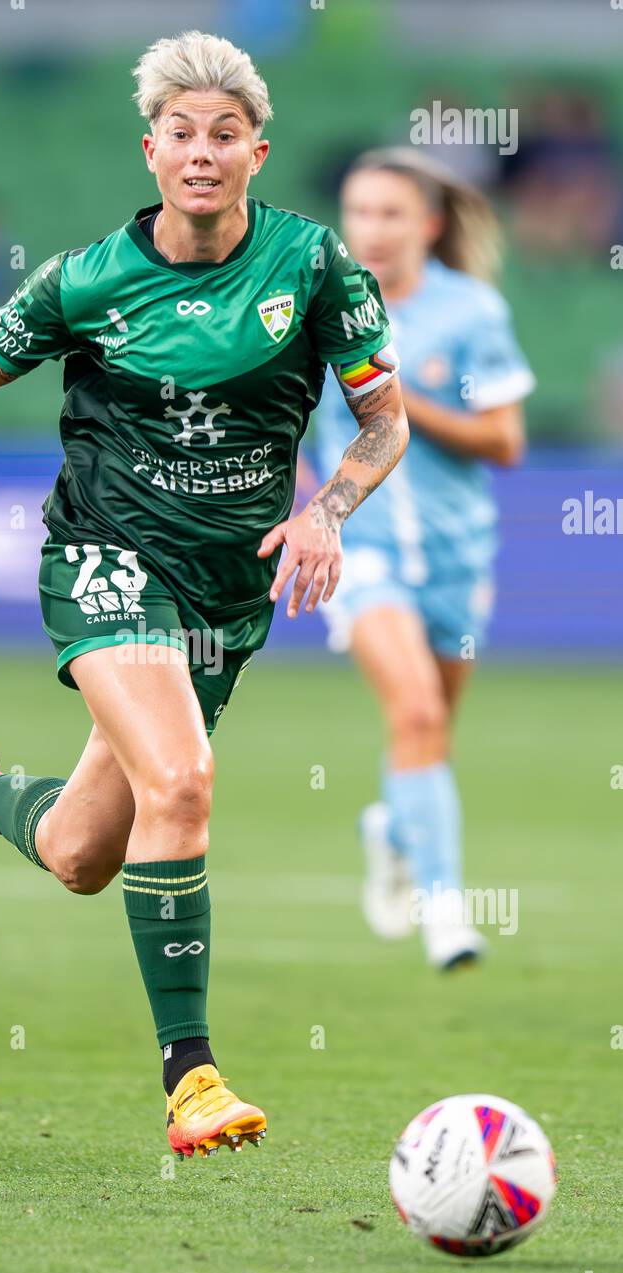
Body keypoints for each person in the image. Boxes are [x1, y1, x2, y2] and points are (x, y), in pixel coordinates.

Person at [0, 32, 408, 1156]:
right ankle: (192, 1077)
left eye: (223, 135)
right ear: (149, 150)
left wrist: (325, 511)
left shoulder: (314, 270)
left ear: (258, 150)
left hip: (224, 591)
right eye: (180, 134)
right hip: (106, 557)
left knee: (80, 853)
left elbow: (383, 420)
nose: (201, 153)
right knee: (186, 778)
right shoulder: (88, 279)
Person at [300, 147, 534, 969]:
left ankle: (392, 828)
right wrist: (313, 515)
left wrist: (395, 405)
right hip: (362, 554)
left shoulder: (468, 311)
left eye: (390, 213)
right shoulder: (315, 308)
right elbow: (289, 428)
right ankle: (446, 913)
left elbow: (504, 439)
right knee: (418, 717)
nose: (371, 228)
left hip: (456, 557)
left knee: (429, 730)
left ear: (428, 225)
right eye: (359, 211)